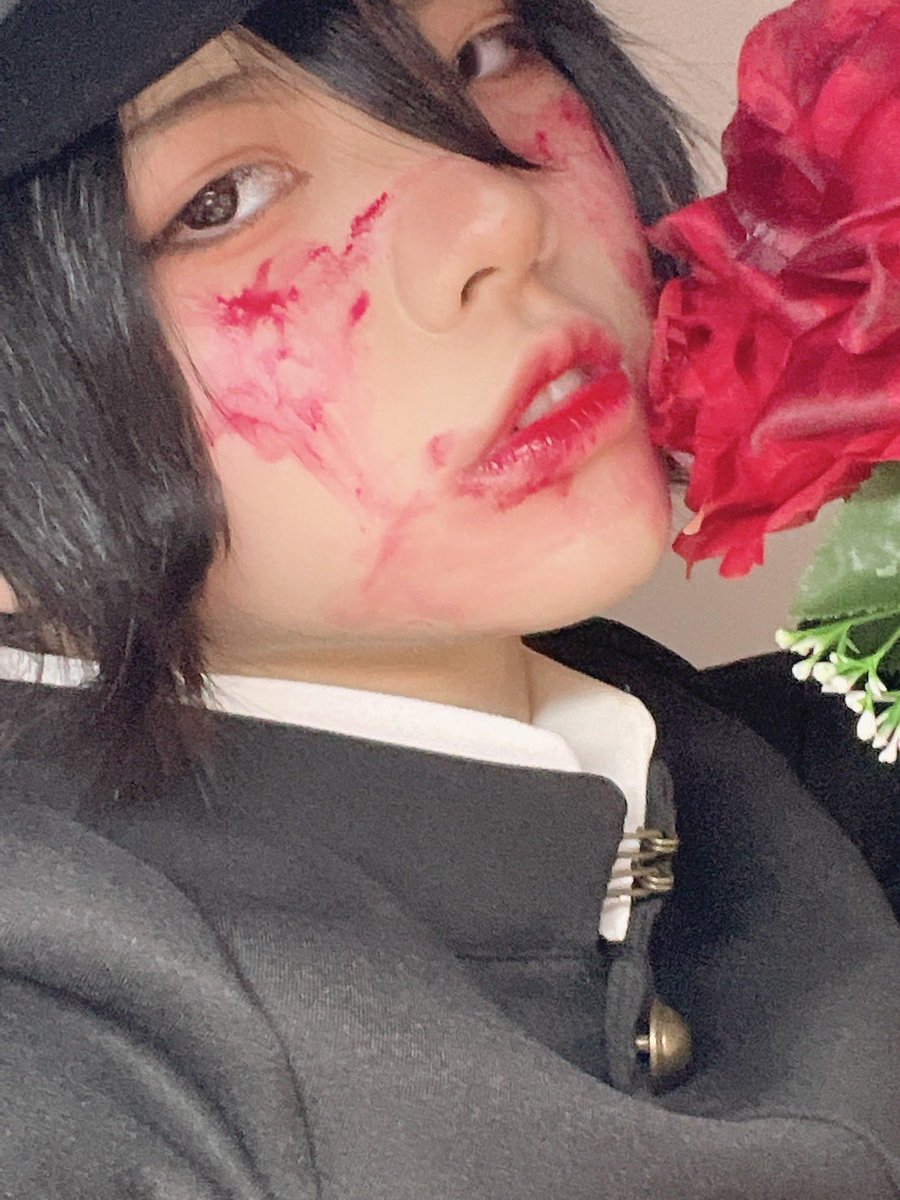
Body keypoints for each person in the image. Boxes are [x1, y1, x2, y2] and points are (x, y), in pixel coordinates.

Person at [0, 1, 896, 1196]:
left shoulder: (784, 775)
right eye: (221, 199)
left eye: (482, 55)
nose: (499, 211)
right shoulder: (72, 1075)